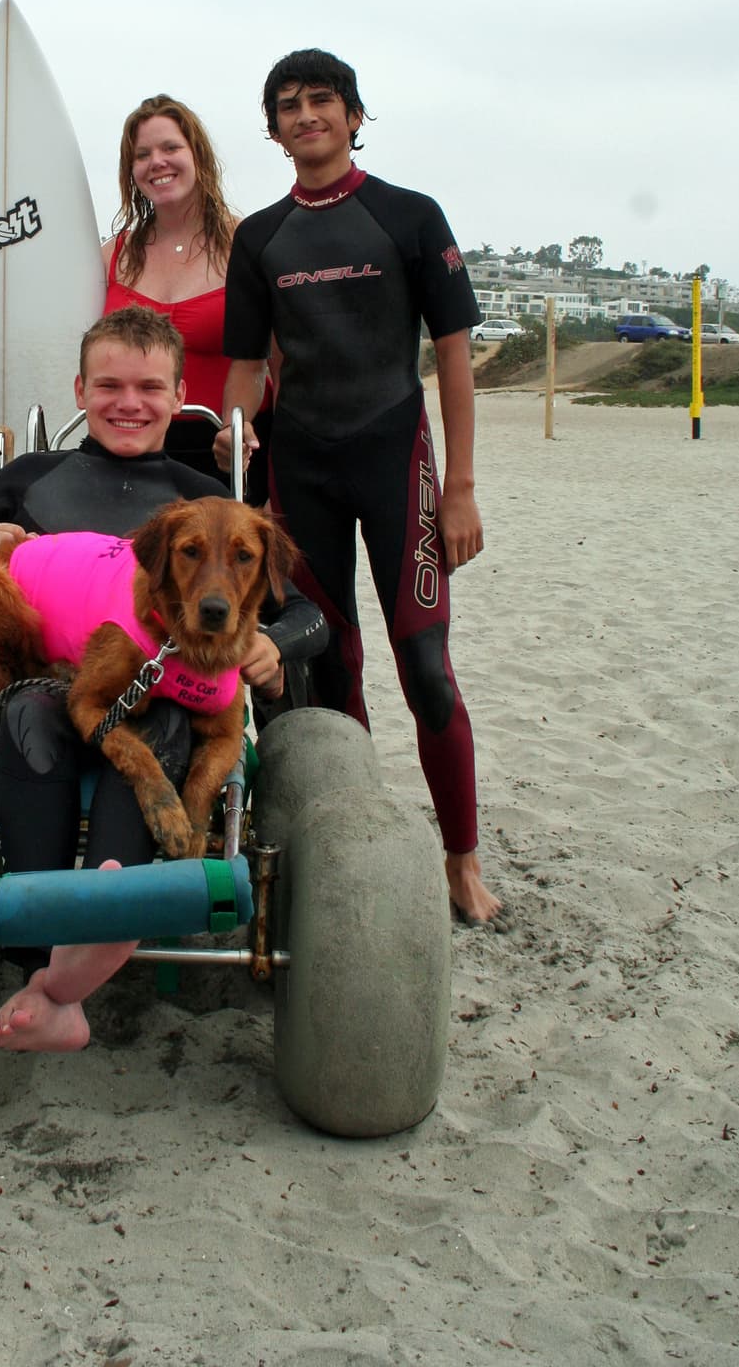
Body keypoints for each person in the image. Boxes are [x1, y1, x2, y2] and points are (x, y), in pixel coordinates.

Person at [0, 306, 327, 1051]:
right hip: (47, 682)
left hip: (169, 690)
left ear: (180, 391)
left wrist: (273, 649)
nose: (130, 403)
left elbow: (300, 610)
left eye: (151, 387)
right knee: (31, 719)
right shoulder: (31, 477)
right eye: (110, 385)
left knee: (153, 724)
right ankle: (46, 954)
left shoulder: (202, 498)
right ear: (80, 390)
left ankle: (74, 958)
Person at [214, 47, 500, 924]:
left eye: (322, 101)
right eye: (289, 106)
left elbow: (453, 359)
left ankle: (460, 860)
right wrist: (240, 483)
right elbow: (241, 373)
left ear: (354, 115)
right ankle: (361, 844)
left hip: (395, 461)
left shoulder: (408, 218)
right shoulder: (260, 238)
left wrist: (460, 487)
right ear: (272, 130)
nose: (307, 117)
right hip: (298, 470)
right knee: (329, 667)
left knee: (426, 669)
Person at [102, 97, 271, 502]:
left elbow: (277, 362)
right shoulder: (111, 255)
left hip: (229, 451)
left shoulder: (248, 244)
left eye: (170, 148)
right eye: (142, 155)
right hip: (131, 451)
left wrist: (243, 432)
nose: (156, 162)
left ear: (198, 155)